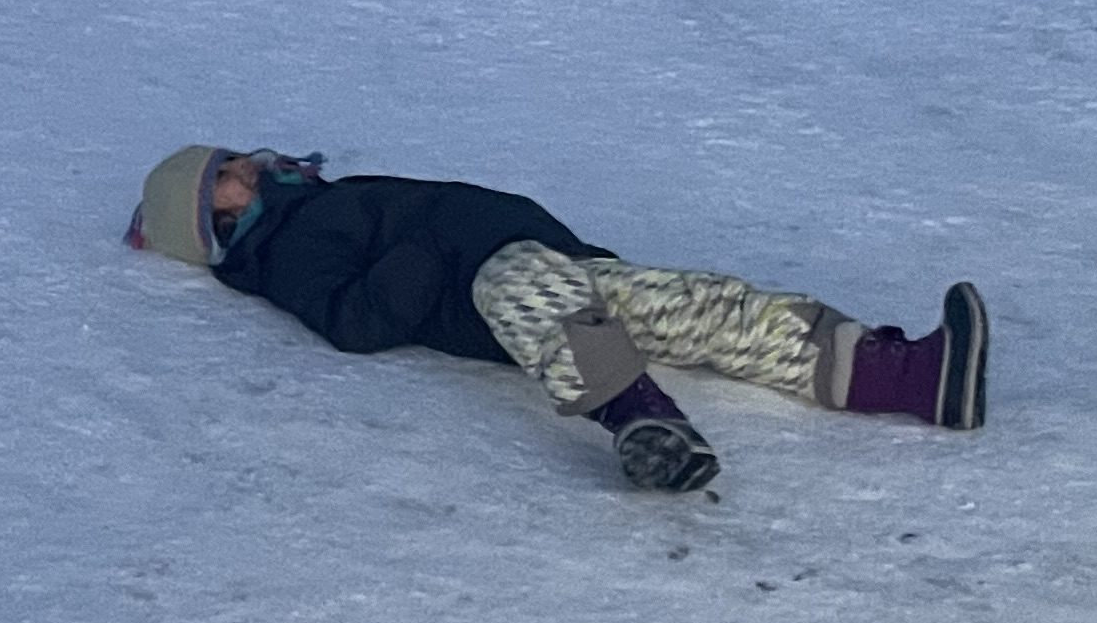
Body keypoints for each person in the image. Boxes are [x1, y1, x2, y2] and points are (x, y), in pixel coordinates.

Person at [127, 150, 986, 495]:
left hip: (549, 264)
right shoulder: (286, 251)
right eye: (227, 175)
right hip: (485, 289)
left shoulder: (315, 203)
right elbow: (354, 321)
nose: (247, 162)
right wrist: (426, 255)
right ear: (217, 221)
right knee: (528, 286)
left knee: (704, 306)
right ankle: (642, 422)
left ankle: (907, 376)